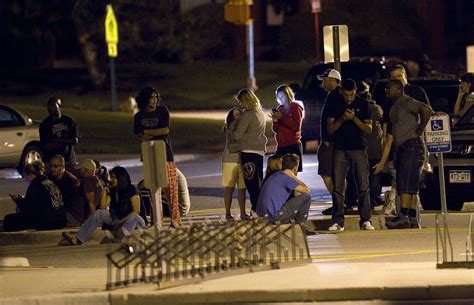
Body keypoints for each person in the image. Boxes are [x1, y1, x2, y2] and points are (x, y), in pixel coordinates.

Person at [373, 80, 432, 229]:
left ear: (399, 89)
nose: (387, 91)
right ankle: (412, 218)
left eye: (390, 89)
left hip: (410, 146)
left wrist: (419, 130)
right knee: (411, 184)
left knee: (405, 184)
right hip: (407, 147)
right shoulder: (394, 106)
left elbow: (427, 110)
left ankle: (403, 216)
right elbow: (390, 137)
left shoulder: (406, 101)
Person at [326, 79, 374, 231]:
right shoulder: (335, 103)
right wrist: (342, 119)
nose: (348, 98)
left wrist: (354, 119)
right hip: (340, 148)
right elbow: (330, 129)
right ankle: (338, 221)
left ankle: (366, 220)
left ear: (355, 92)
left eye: (351, 95)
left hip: (358, 148)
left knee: (363, 186)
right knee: (338, 187)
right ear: (342, 92)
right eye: (346, 95)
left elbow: (369, 129)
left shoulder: (363, 104)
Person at [133, 87, 181, 227]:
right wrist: (155, 133)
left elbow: (165, 130)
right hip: (149, 157)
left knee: (171, 191)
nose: (154, 100)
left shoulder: (162, 111)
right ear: (144, 99)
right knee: (154, 193)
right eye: (151, 97)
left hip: (166, 156)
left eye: (155, 97)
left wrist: (148, 132)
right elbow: (140, 137)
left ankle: (175, 221)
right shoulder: (139, 116)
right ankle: (156, 222)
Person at [62, 166, 146, 245]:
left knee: (134, 216)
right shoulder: (113, 191)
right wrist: (104, 191)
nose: (111, 179)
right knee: (99, 213)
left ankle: (119, 237)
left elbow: (136, 211)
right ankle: (78, 238)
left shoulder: (131, 189)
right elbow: (103, 207)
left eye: (114, 177)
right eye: (110, 177)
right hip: (119, 221)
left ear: (121, 178)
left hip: (136, 221)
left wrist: (121, 222)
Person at [256, 153, 313, 233]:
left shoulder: (275, 175)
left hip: (262, 217)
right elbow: (306, 190)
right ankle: (301, 228)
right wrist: (293, 176)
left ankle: (291, 223)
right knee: (306, 197)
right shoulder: (286, 178)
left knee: (297, 198)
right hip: (274, 217)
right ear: (294, 167)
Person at [231, 89, 268, 212]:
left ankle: (256, 209)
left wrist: (233, 124)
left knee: (251, 184)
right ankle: (261, 208)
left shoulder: (248, 115)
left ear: (245, 101)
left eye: (241, 101)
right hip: (259, 151)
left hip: (248, 152)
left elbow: (237, 135)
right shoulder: (260, 113)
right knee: (258, 182)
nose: (240, 104)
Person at [4, 160, 66, 232]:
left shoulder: (35, 185)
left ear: (30, 175)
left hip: (47, 221)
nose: (25, 180)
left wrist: (17, 199)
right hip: (60, 219)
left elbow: (28, 209)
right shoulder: (50, 183)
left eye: (25, 177)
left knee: (9, 219)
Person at [358, 81, 384, 208]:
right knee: (375, 175)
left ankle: (366, 199)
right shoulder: (377, 109)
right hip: (376, 147)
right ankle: (375, 198)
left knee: (364, 176)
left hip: (364, 147)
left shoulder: (360, 109)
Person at [39, 97, 79, 171]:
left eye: (53, 106)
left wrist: (56, 140)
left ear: (59, 107)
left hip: (69, 161)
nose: (50, 108)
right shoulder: (45, 124)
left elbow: (75, 140)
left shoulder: (69, 121)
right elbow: (45, 145)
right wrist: (65, 141)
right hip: (53, 163)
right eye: (49, 106)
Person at [221, 107, 248, 220]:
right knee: (229, 188)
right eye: (235, 115)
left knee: (242, 189)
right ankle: (227, 213)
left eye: (240, 115)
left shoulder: (244, 127)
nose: (238, 117)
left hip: (242, 160)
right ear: (231, 118)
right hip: (229, 160)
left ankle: (243, 213)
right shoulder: (229, 127)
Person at [270, 84, 304, 172]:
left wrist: (282, 117)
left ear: (288, 95)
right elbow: (275, 130)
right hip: (281, 146)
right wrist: (275, 121)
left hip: (293, 145)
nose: (280, 99)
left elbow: (296, 126)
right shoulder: (279, 109)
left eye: (282, 96)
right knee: (278, 170)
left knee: (292, 174)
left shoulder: (295, 107)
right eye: (278, 97)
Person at [47, 155, 83, 226]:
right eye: (50, 166)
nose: (52, 168)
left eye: (55, 166)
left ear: (62, 167)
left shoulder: (69, 181)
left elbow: (63, 202)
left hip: (73, 215)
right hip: (62, 212)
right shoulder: (51, 178)